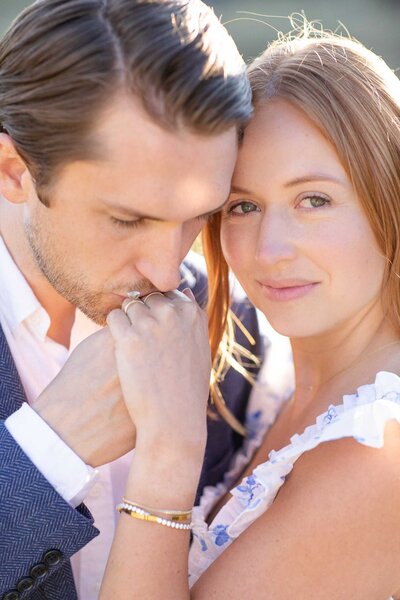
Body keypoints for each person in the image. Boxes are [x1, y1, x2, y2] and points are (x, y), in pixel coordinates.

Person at [98, 28, 400, 599]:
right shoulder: (281, 383)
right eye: (244, 205)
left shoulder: (377, 453)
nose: (268, 250)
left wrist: (168, 455)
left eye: (314, 200)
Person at [0, 1, 263, 599]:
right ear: (15, 171)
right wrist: (50, 450)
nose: (169, 274)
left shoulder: (238, 325)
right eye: (127, 220)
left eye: (198, 218)